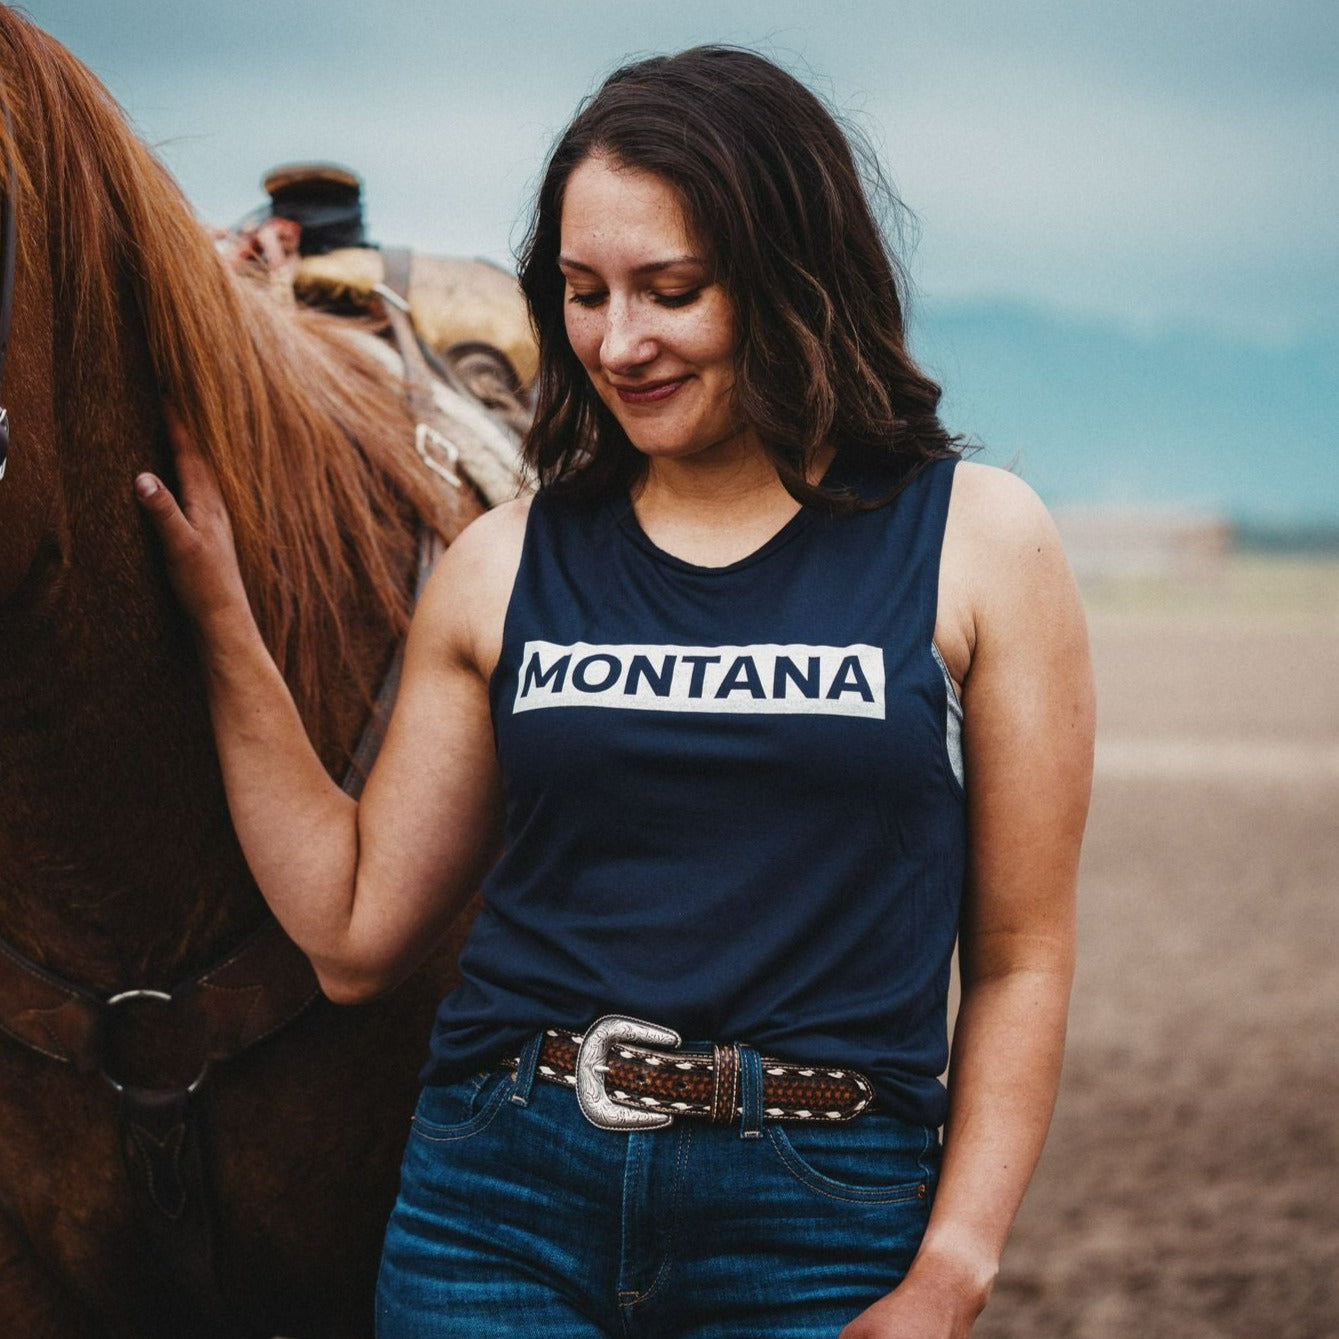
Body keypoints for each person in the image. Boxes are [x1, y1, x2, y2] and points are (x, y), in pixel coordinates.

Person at [135, 45, 1094, 1339]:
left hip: (818, 1219)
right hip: (498, 1205)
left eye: (672, 290)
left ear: (791, 275)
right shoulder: (504, 564)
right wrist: (221, 623)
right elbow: (356, 935)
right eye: (583, 293)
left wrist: (955, 1266)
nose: (618, 341)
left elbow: (1023, 955)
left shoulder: (978, 542)